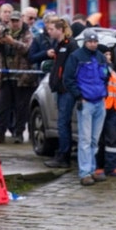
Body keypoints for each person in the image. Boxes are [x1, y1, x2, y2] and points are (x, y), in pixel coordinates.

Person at [63, 28, 109, 186]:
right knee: (85, 140)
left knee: (94, 140)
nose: (93, 44)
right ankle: (84, 172)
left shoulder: (100, 57)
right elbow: (68, 79)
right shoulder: (76, 57)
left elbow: (106, 76)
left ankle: (91, 169)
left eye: (95, 41)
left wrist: (105, 93)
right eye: (90, 41)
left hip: (99, 102)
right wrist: (79, 96)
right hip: (86, 102)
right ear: (85, 42)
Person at [0, 10, 35, 143]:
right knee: (2, 107)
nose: (14, 23)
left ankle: (19, 133)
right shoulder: (4, 31)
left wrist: (12, 42)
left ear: (21, 21)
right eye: (12, 21)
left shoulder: (27, 34)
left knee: (21, 108)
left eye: (17, 21)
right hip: (5, 75)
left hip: (22, 76)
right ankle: (0, 133)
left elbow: (27, 49)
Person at [42, 18, 77, 168]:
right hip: (60, 89)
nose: (48, 32)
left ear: (60, 29)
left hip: (66, 90)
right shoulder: (59, 45)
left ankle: (64, 155)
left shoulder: (70, 45)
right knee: (61, 123)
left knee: (63, 122)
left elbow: (71, 69)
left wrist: (64, 84)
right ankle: (62, 152)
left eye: (51, 29)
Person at [95, 44, 116, 178]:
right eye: (105, 54)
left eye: (109, 54)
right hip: (101, 106)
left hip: (112, 107)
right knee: (98, 139)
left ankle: (112, 166)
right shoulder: (98, 67)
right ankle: (97, 166)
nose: (109, 56)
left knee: (112, 139)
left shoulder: (112, 68)